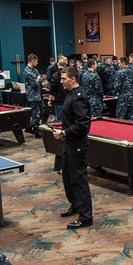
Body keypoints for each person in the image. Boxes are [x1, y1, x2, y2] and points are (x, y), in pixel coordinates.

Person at [53, 67, 94, 230]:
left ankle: (86, 217)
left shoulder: (79, 97)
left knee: (79, 180)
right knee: (68, 177)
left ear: (73, 79)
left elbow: (83, 125)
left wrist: (64, 132)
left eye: (64, 78)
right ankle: (76, 205)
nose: (61, 81)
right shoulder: (70, 94)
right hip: (69, 142)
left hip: (77, 144)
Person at [24, 54, 45, 133]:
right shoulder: (27, 71)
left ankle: (30, 126)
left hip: (38, 94)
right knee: (36, 113)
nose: (37, 63)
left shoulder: (34, 70)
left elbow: (40, 79)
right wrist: (38, 80)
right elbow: (34, 84)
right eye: (36, 61)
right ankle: (36, 130)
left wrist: (38, 79)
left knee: (41, 111)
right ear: (32, 60)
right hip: (33, 96)